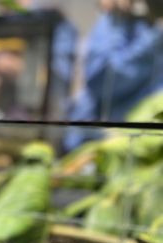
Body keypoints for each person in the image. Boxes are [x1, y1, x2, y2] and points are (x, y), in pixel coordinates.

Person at [64, 0, 163, 150]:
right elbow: (102, 82)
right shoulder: (117, 22)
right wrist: (155, 38)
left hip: (144, 152)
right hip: (97, 148)